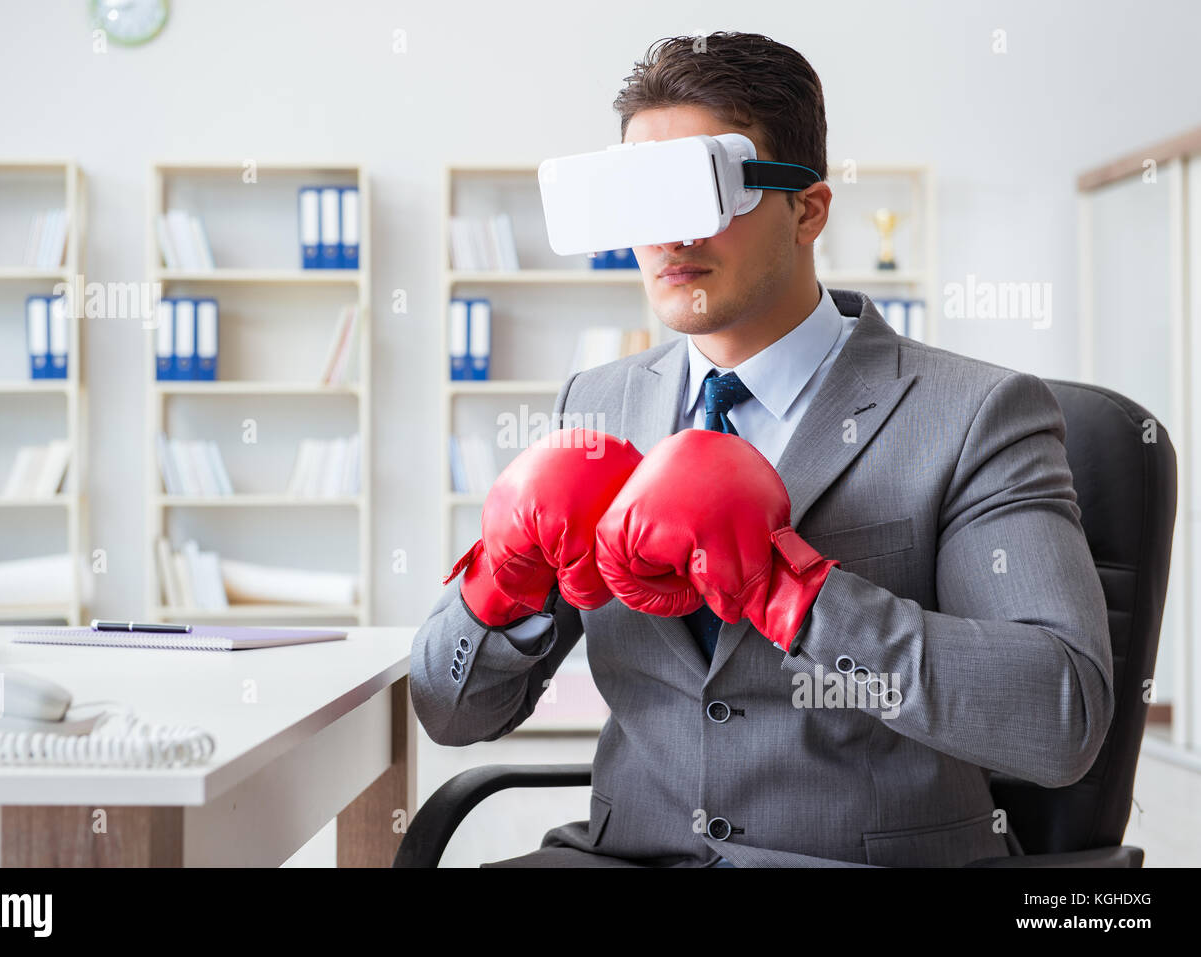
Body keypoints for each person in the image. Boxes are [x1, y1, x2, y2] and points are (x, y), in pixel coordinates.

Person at [409, 31, 1113, 867]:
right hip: (626, 854)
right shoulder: (596, 404)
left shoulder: (975, 413)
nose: (669, 236)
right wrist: (501, 582)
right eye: (646, 197)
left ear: (807, 209)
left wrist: (796, 593)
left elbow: (1061, 715)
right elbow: (451, 715)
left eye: (702, 194)